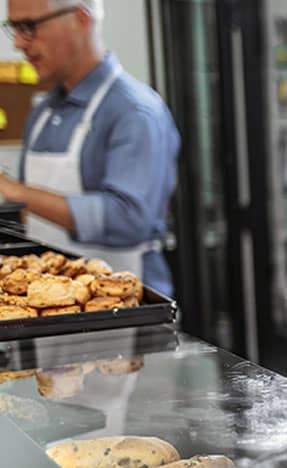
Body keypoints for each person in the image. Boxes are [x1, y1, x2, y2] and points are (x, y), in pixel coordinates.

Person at [0, 0, 180, 296]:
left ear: (80, 19)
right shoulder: (43, 112)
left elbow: (130, 220)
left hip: (125, 307)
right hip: (50, 304)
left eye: (29, 27)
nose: (19, 43)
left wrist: (14, 191)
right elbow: (28, 213)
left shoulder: (133, 112)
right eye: (14, 29)